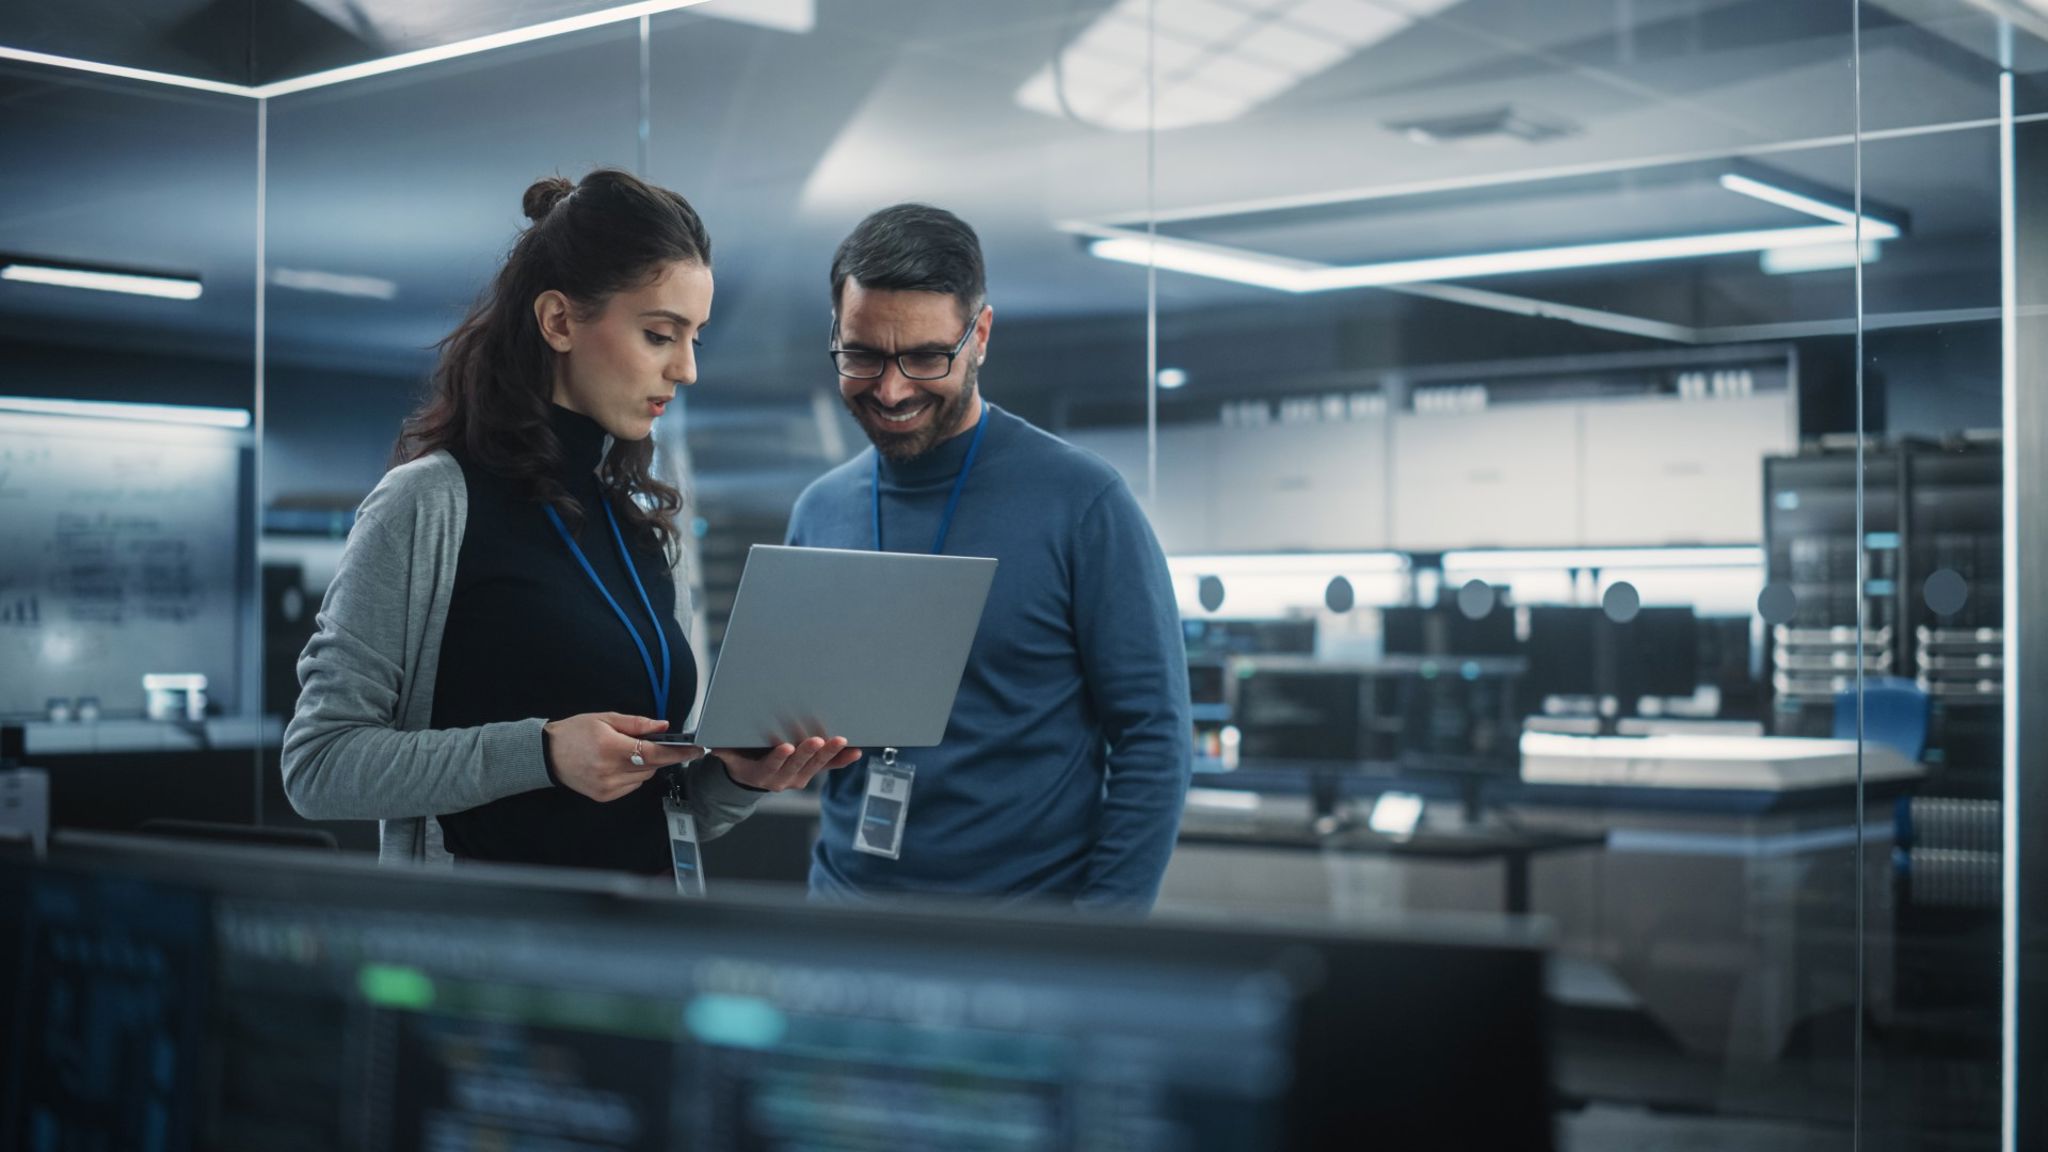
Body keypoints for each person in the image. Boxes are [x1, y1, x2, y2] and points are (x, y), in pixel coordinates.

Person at [282, 168, 858, 872]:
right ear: (559, 321)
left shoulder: (638, 525)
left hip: (644, 955)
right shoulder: (427, 503)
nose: (686, 370)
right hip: (489, 960)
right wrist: (544, 753)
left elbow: (661, 814)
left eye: (695, 339)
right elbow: (319, 764)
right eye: (659, 335)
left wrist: (738, 778)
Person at [785, 203, 1192, 910]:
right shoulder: (820, 511)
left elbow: (1154, 736)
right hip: (846, 918)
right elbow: (793, 723)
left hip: (1023, 931)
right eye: (863, 356)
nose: (891, 389)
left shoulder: (1083, 503)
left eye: (924, 356)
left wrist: (1101, 932)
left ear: (981, 337)